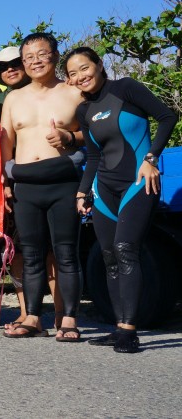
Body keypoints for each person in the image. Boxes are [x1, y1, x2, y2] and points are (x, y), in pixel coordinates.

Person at [67, 47, 178, 352]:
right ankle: (119, 327)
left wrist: (151, 158)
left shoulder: (126, 88)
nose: (80, 77)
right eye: (73, 73)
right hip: (103, 189)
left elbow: (168, 117)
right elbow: (92, 155)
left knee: (126, 249)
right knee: (108, 256)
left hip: (138, 181)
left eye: (84, 68)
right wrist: (83, 191)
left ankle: (130, 331)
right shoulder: (84, 111)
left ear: (99, 65)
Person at [1, 33, 85, 340]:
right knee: (32, 254)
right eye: (29, 57)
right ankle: (33, 317)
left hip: (63, 179)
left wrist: (70, 138)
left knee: (66, 253)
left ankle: (69, 319)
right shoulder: (14, 97)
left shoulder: (73, 93)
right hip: (25, 183)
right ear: (23, 62)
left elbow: (94, 133)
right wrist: (5, 182)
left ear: (55, 56)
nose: (35, 61)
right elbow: (6, 142)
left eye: (42, 54)